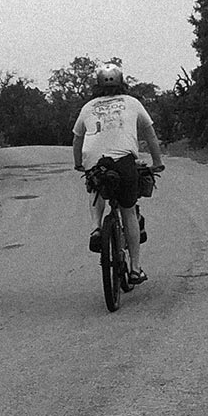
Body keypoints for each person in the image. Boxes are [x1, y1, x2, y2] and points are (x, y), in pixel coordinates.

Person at [72, 62, 165, 286]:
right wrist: (157, 162)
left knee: (95, 189)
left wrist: (79, 164)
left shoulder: (88, 107)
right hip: (124, 162)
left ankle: (96, 227)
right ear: (123, 83)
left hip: (95, 161)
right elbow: (150, 135)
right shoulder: (132, 103)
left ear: (97, 85)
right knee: (128, 211)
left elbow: (77, 138)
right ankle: (134, 269)